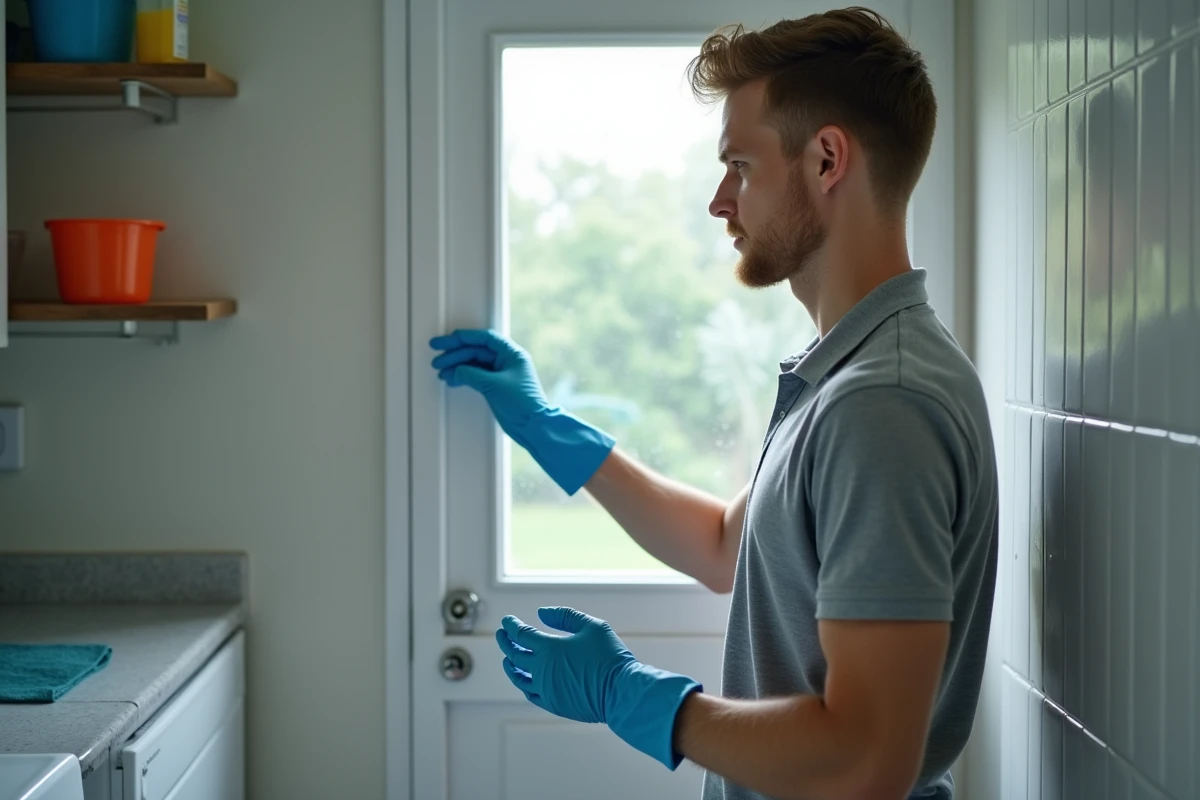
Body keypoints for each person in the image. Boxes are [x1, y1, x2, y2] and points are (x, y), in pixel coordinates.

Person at [429, 7, 998, 799]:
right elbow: (725, 544)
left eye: (740, 166)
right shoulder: (849, 375)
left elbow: (867, 760)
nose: (720, 201)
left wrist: (633, 698)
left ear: (827, 159)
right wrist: (547, 428)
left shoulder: (881, 403)